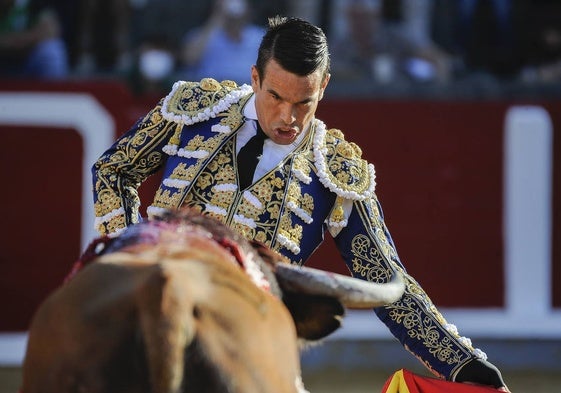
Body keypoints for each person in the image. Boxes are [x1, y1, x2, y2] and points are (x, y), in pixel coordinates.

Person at [92, 15, 510, 391]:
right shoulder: (194, 110)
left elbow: (387, 282)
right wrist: (134, 252)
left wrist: (465, 365)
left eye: (303, 103)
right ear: (255, 77)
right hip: (156, 294)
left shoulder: (336, 171)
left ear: (323, 86)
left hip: (250, 334)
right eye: (275, 96)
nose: (287, 117)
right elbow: (113, 170)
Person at [179, 0, 264, 85]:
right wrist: (217, 17)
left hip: (249, 92)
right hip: (212, 92)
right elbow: (189, 59)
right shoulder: (203, 34)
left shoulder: (259, 35)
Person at [0, 0, 68, 78]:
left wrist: (15, 42)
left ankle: (54, 89)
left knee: (51, 50)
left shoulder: (31, 4)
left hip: (25, 60)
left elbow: (50, 30)